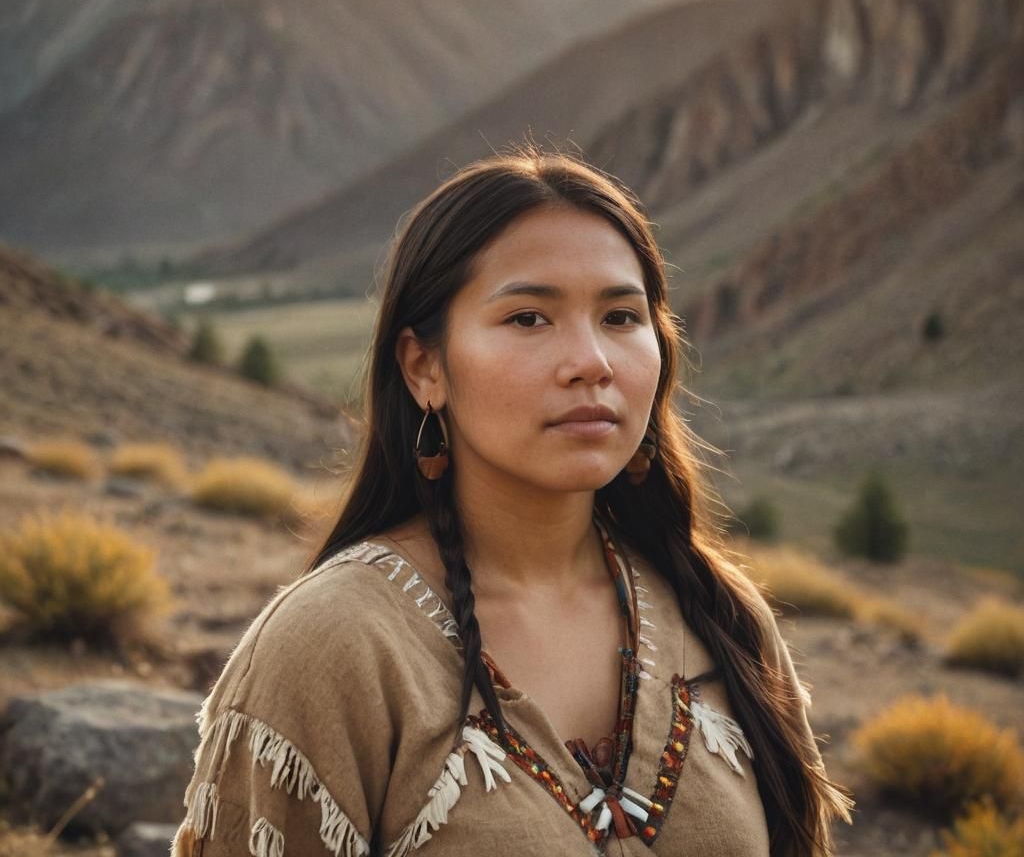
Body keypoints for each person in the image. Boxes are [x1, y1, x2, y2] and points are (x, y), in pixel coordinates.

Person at [172, 145, 852, 857]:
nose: (592, 362)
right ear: (424, 366)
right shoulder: (335, 649)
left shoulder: (717, 613)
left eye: (621, 317)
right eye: (529, 318)